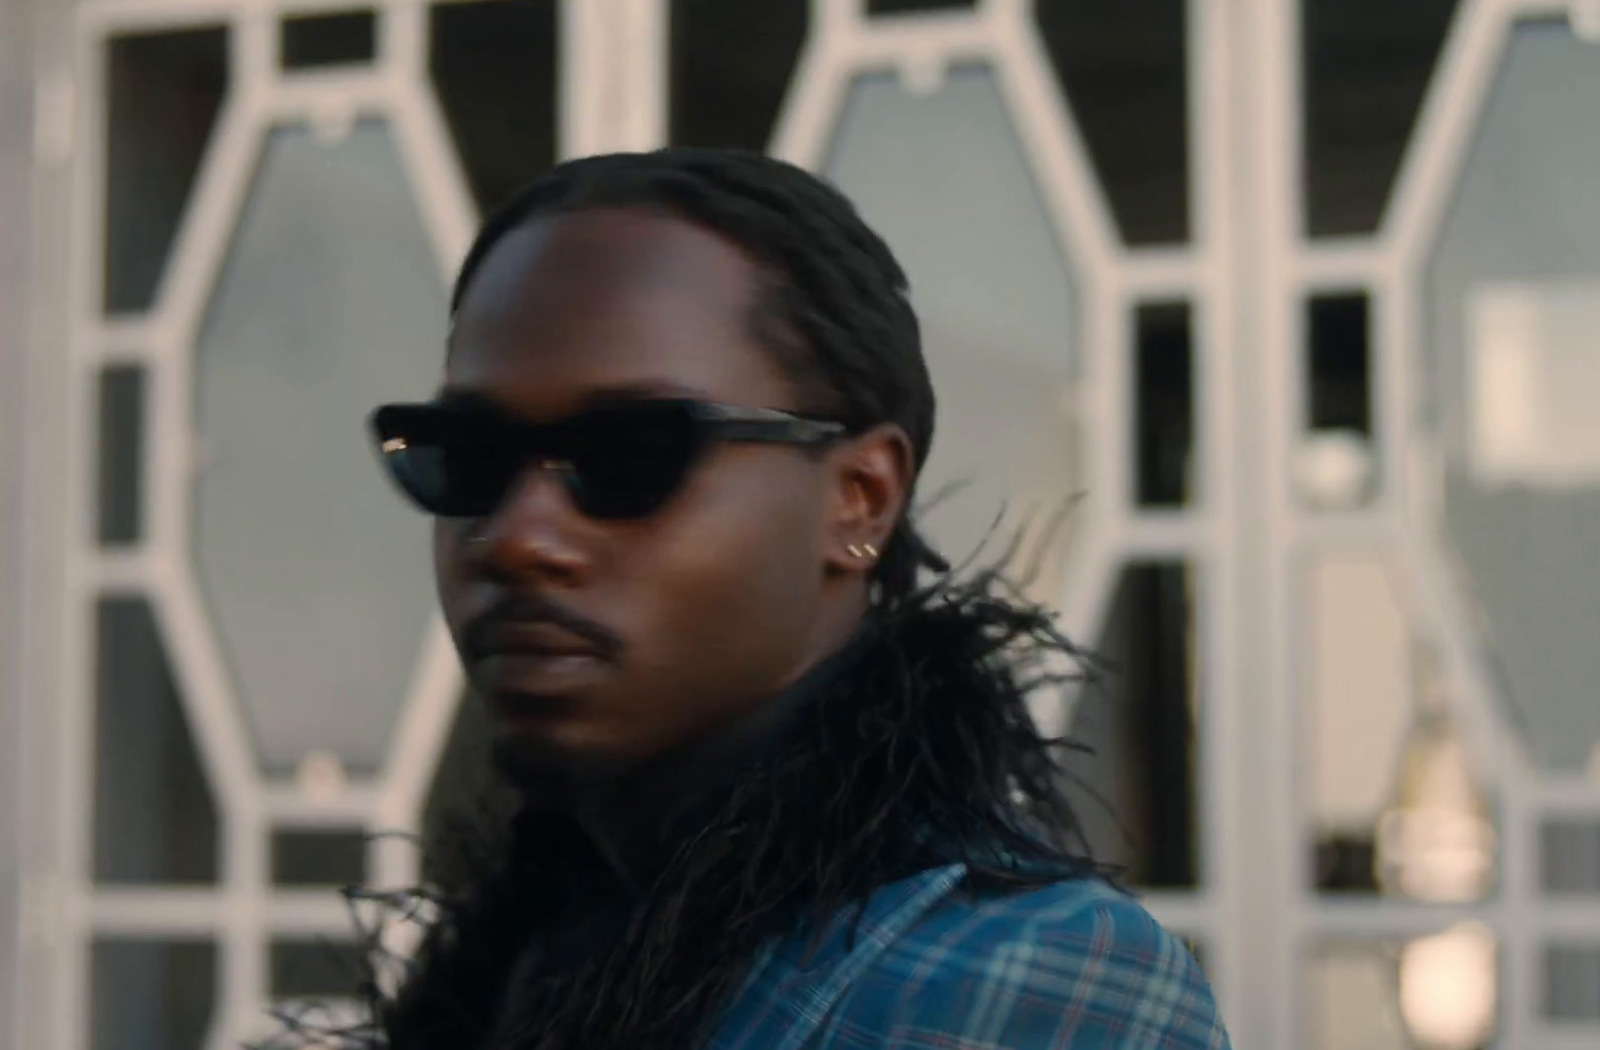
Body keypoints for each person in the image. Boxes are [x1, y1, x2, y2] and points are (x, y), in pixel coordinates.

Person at [330, 148, 1229, 1049]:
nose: (520, 535)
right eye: (470, 455)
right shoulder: (523, 956)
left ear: (860, 497)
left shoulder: (1033, 984)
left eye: (631, 453)